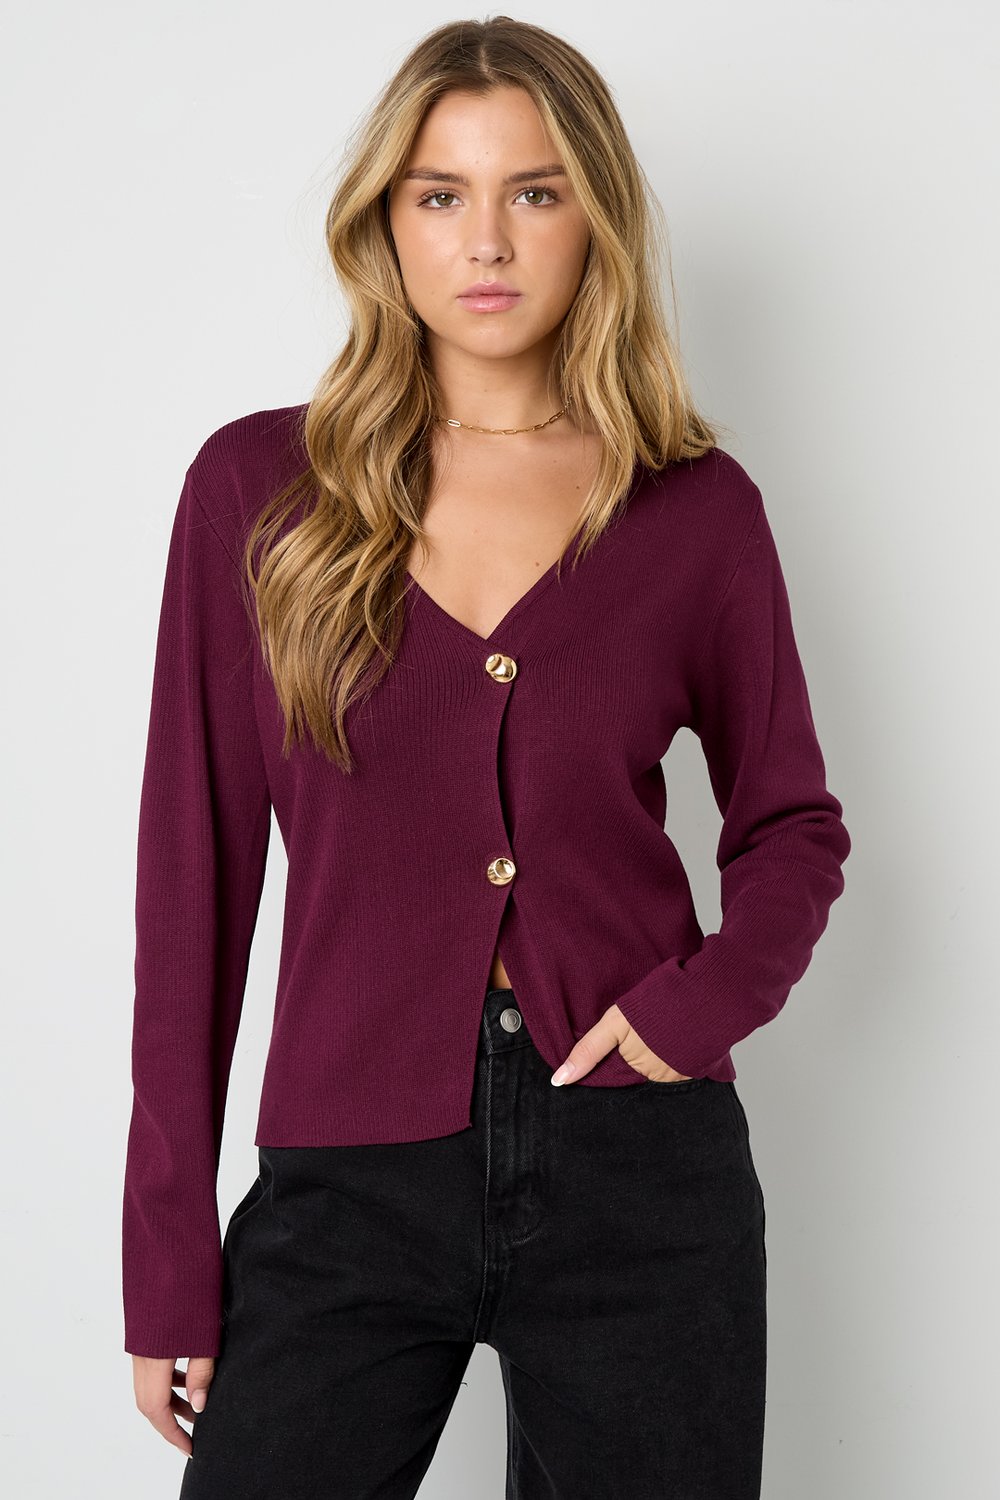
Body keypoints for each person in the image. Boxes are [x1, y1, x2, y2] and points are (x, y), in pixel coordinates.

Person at [122, 16, 851, 1499]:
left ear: (596, 217)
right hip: (348, 1170)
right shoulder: (259, 491)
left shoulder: (694, 508)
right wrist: (169, 1259)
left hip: (641, 1170)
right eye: (440, 194)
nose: (488, 240)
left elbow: (793, 827)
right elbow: (192, 890)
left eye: (535, 190)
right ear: (385, 223)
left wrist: (691, 1015)